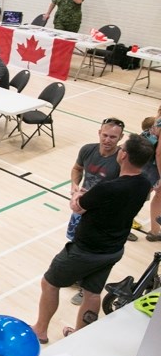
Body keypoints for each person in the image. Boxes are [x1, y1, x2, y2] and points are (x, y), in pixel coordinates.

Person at [32, 134, 153, 343]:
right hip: (113, 250)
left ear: (124, 155)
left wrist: (77, 195)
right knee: (92, 293)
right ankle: (79, 336)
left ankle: (40, 330)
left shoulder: (108, 188)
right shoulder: (144, 184)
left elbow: (77, 208)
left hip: (86, 250)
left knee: (49, 283)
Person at [65, 118, 124, 305]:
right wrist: (75, 185)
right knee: (76, 243)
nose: (108, 140)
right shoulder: (87, 150)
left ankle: (85, 288)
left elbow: (123, 188)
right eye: (105, 135)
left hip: (101, 215)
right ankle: (76, 275)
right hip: (81, 207)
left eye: (113, 137)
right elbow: (77, 169)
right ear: (99, 133)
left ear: (120, 137)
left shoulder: (121, 159)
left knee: (91, 251)